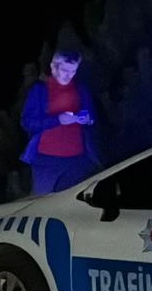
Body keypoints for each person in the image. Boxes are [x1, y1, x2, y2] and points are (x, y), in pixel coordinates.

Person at [21, 49, 100, 195]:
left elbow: (92, 117)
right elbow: (27, 123)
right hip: (47, 161)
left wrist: (86, 119)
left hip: (78, 159)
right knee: (44, 204)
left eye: (73, 71)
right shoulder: (39, 90)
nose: (68, 75)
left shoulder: (81, 89)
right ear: (53, 66)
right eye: (64, 70)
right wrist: (58, 120)